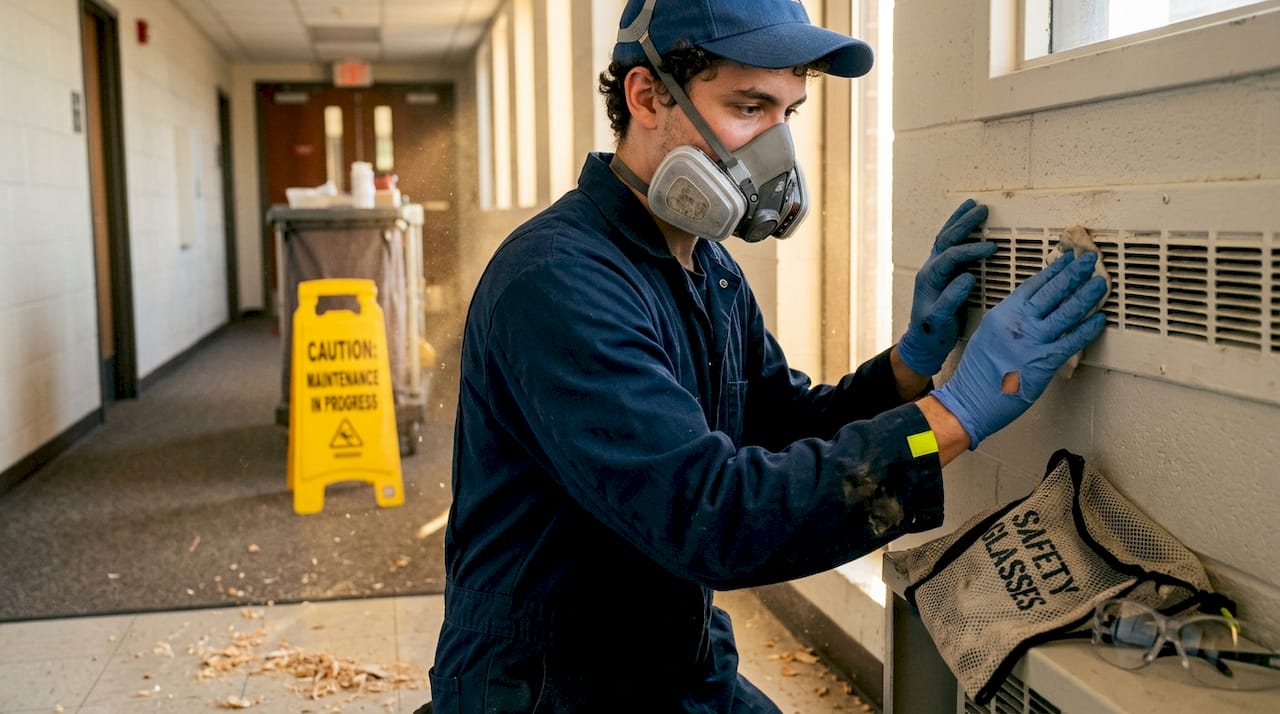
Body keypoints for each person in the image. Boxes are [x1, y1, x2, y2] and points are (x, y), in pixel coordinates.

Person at [423, 0, 1109, 711]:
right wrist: (957, 412)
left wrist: (908, 368)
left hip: (673, 656)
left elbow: (778, 424)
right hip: (546, 686)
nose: (773, 151)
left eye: (788, 114)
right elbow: (713, 514)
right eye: (749, 107)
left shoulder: (704, 264)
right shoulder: (558, 282)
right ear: (647, 96)